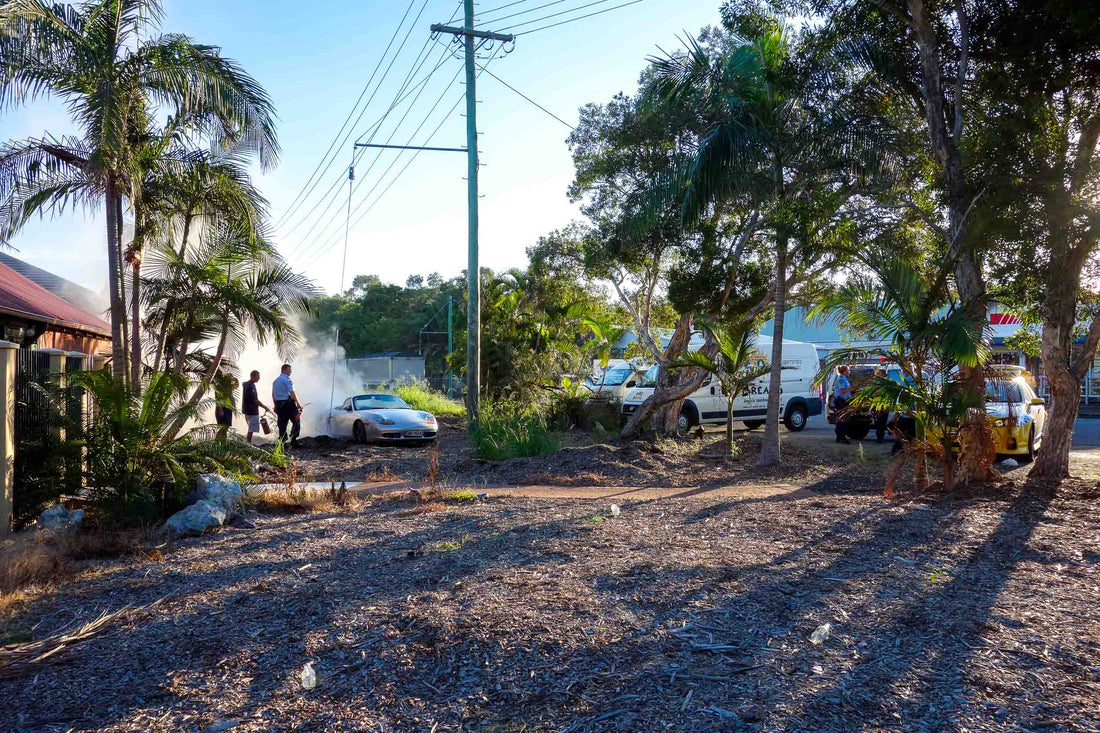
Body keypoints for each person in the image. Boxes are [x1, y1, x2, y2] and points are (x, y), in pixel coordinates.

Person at [272, 363, 301, 448]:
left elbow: (273, 395)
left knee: (282, 424)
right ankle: (293, 441)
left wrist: (275, 405)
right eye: (289, 369)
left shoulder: (275, 381)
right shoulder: (287, 380)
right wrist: (298, 403)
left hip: (279, 404)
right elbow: (292, 392)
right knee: (296, 421)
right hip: (288, 404)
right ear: (284, 370)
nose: (291, 371)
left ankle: (282, 442)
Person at [242, 370, 272, 444]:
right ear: (253, 376)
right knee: (251, 429)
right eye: (258, 376)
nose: (259, 378)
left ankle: (248, 442)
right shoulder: (251, 386)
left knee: (250, 428)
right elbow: (255, 401)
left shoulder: (247, 384)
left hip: (247, 411)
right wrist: (265, 407)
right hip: (251, 411)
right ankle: (248, 444)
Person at [213, 372, 237, 441]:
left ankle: (223, 444)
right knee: (223, 427)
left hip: (228, 408)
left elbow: (236, 385)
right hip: (222, 408)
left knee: (226, 427)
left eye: (230, 379)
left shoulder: (229, 388)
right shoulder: (219, 387)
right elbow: (217, 399)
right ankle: (216, 442)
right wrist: (220, 409)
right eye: (229, 379)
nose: (230, 381)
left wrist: (234, 379)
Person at [833, 364, 853, 444]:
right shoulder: (841, 379)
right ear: (844, 371)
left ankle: (841, 436)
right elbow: (842, 390)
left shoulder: (845, 379)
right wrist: (852, 388)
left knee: (844, 419)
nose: (849, 372)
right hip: (841, 401)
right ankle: (841, 437)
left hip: (845, 401)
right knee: (842, 419)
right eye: (848, 370)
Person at [873, 367, 891, 443]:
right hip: (879, 404)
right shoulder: (877, 383)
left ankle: (880, 437)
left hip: (884, 404)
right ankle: (880, 438)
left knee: (882, 422)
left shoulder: (883, 382)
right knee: (880, 422)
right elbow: (874, 394)